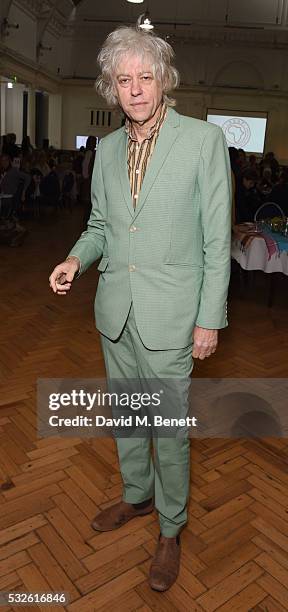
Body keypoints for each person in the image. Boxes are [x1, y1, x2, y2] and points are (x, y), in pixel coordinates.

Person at [49, 26, 231, 592]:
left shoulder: (202, 142)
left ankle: (171, 527)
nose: (134, 89)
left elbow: (216, 241)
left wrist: (209, 318)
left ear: (164, 80)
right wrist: (77, 260)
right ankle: (137, 496)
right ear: (111, 86)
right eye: (122, 79)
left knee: (168, 429)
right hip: (116, 312)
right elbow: (102, 226)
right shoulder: (104, 150)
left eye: (144, 77)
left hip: (174, 317)